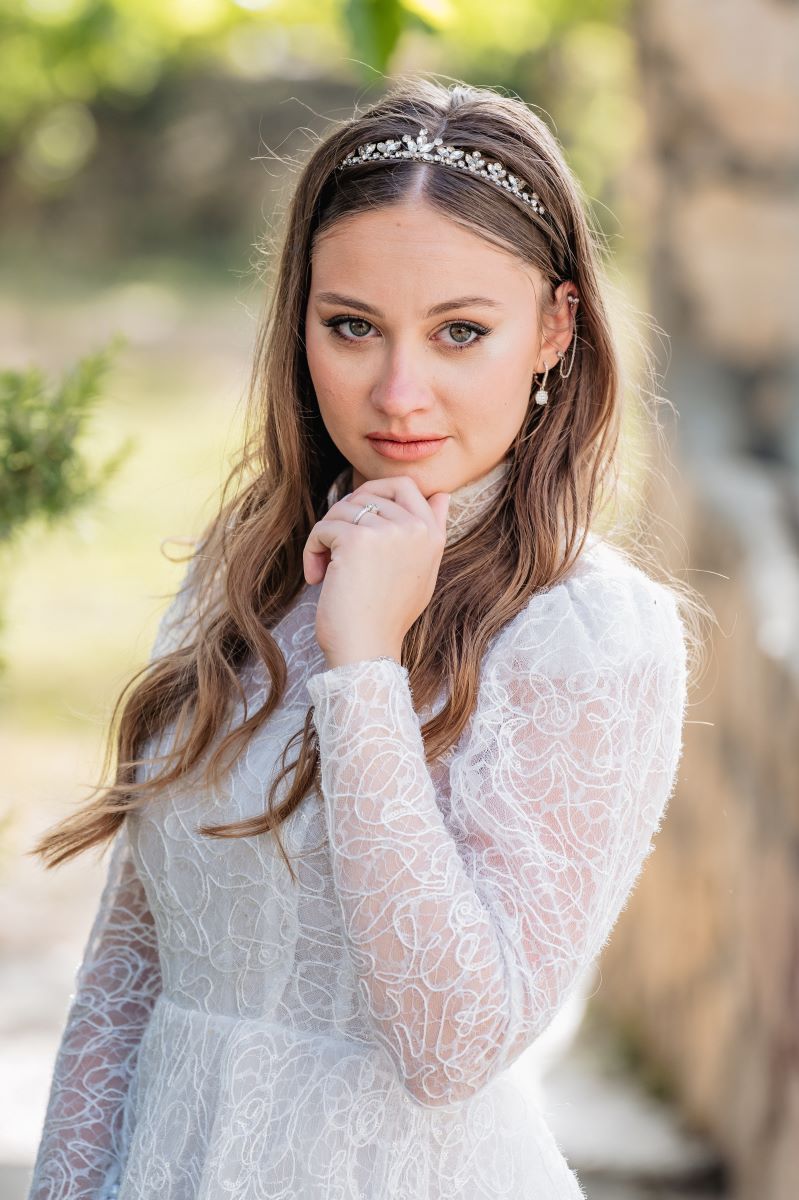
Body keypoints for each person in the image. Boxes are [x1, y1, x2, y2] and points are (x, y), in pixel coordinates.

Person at [26, 76, 694, 1199]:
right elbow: (129, 973)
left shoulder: (592, 636)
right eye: (351, 327)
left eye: (460, 333)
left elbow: (452, 1046)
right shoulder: (242, 569)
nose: (398, 393)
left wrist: (366, 669)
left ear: (554, 329)